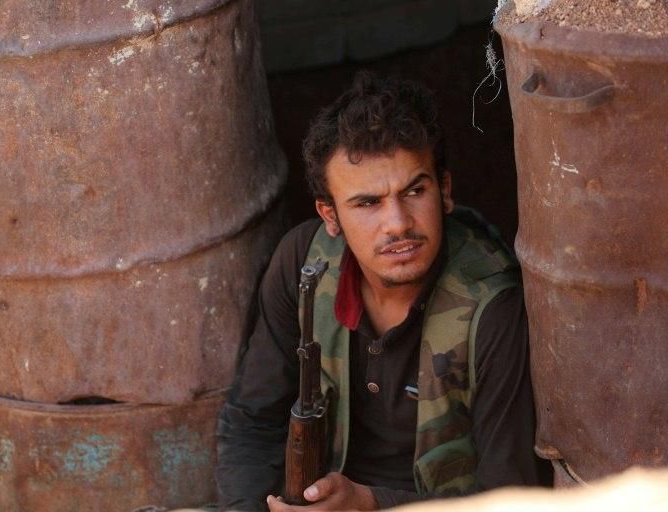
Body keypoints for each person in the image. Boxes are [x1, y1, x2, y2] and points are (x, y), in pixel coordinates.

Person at [216, 72, 543, 511]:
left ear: (444, 191)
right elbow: (252, 422)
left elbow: (511, 497)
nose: (398, 223)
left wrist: (370, 503)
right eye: (367, 203)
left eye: (414, 190)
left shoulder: (492, 305)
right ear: (329, 215)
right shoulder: (305, 263)